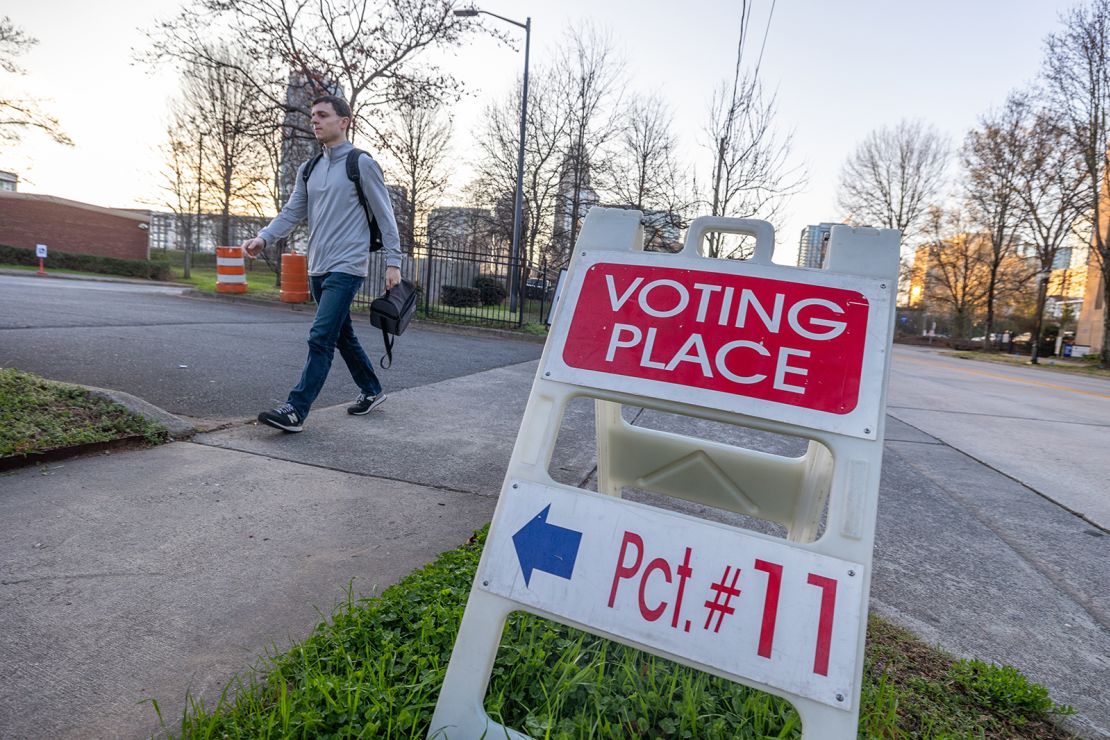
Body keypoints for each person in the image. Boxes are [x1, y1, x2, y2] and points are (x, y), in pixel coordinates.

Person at [242, 94, 402, 433]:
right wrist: (264, 237)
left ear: (343, 121)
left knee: (320, 337)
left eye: (323, 115)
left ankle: (296, 410)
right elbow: (292, 212)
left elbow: (386, 215)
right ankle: (372, 391)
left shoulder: (361, 163)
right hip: (318, 266)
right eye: (313, 115)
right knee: (341, 335)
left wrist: (393, 262)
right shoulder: (309, 168)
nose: (314, 121)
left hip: (348, 265)